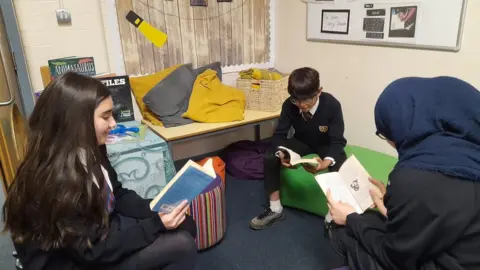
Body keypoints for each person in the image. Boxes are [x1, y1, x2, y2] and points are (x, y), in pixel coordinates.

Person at [2, 72, 198, 270]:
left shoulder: (90, 148)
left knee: (185, 223)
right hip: (80, 258)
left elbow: (118, 195)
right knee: (181, 245)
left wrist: (158, 207)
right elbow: (92, 251)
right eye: (106, 117)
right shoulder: (56, 181)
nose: (113, 124)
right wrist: (156, 224)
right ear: (77, 122)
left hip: (98, 231)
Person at [326, 76, 480, 269]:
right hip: (460, 251)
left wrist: (349, 218)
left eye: (386, 133)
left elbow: (395, 257)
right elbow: (441, 217)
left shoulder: (415, 177)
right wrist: (391, 204)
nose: (390, 142)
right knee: (372, 219)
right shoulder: (466, 154)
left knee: (341, 230)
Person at [250, 67, 347, 230]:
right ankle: (275, 209)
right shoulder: (289, 105)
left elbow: (337, 141)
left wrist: (326, 162)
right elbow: (279, 134)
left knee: (339, 163)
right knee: (270, 156)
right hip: (301, 141)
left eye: (307, 100)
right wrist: (282, 154)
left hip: (325, 143)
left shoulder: (332, 105)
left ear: (319, 92)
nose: (302, 105)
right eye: (296, 100)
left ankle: (332, 216)